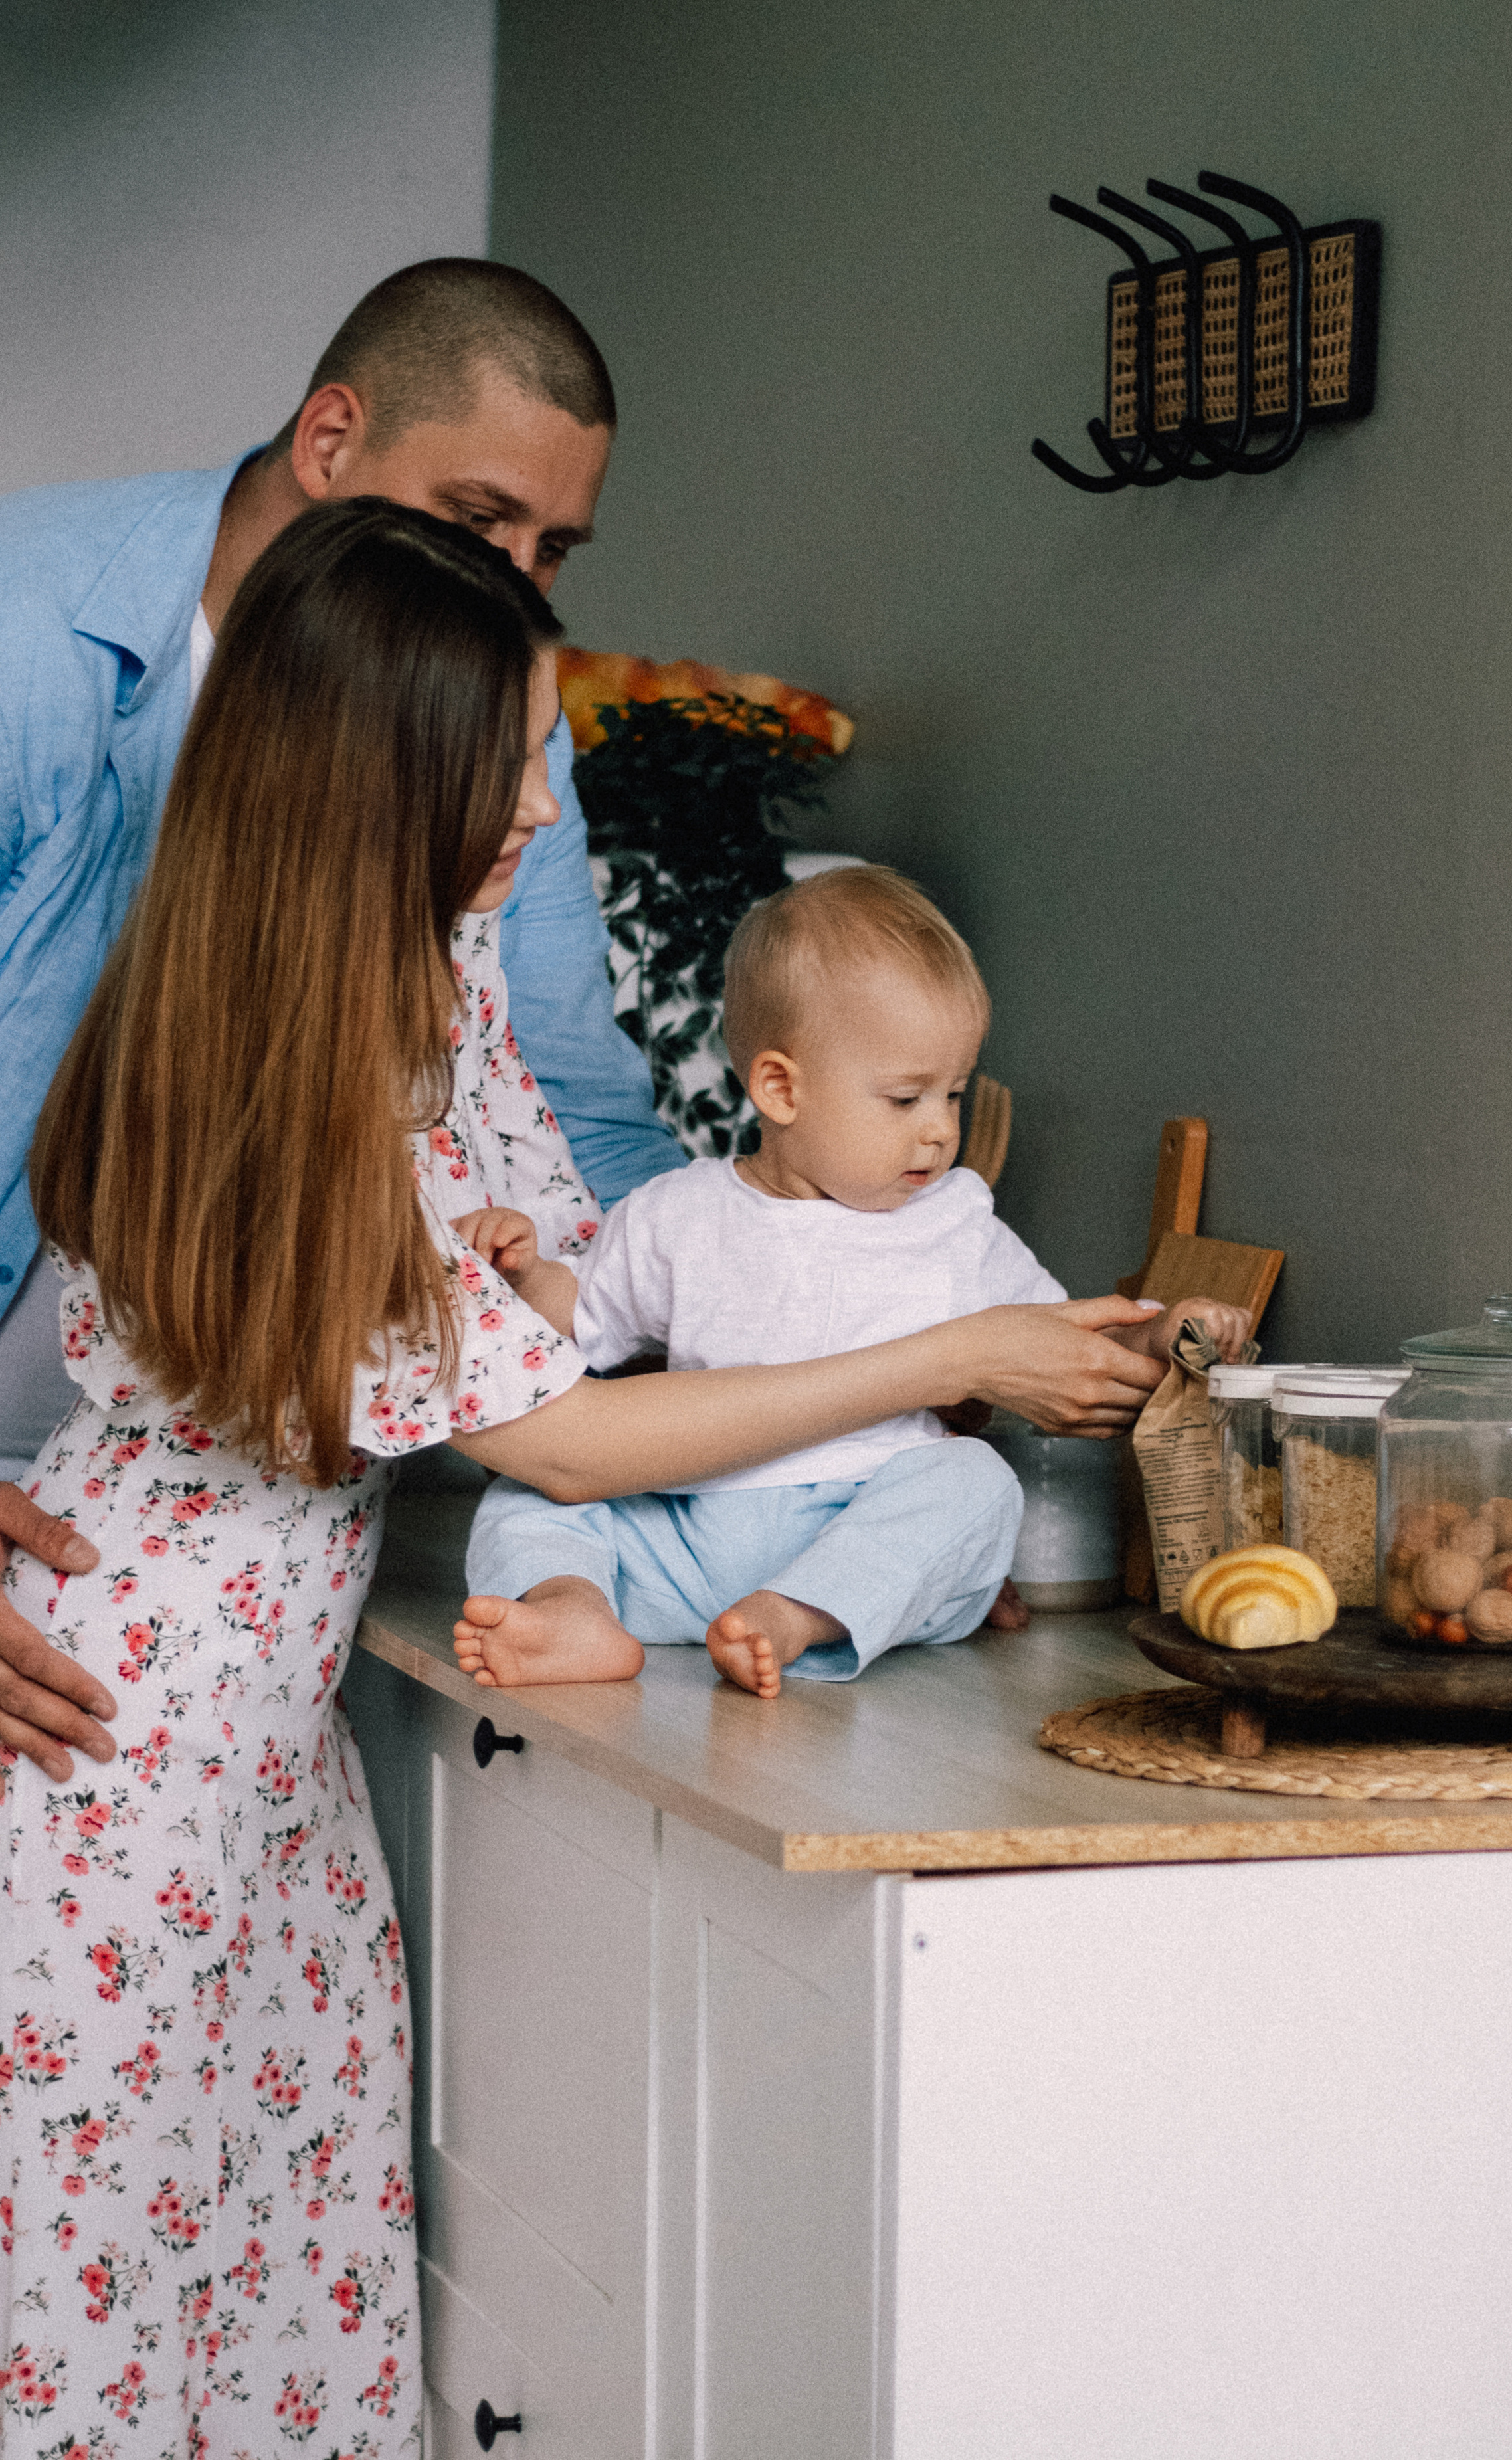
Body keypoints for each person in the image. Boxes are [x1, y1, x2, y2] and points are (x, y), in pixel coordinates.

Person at [2, 498, 1167, 2453]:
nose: (543, 814)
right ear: (372, 788)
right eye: (502, 768)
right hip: (121, 1761)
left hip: (243, 1759)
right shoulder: (280, 1090)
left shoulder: (371, 1014)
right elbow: (545, 1428)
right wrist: (955, 1350)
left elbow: (545, 1293)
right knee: (103, 2323)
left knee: (256, 2299)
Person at [0, 256, 685, 1770]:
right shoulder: (21, 631)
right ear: (329, 443)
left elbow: (571, 1078)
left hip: (225, 1493)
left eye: (553, 547)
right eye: (479, 519)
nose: (518, 579)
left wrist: (749, 1295)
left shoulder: (491, 736)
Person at [451, 867, 1251, 1698]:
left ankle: (799, 1616)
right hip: (685, 1538)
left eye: (952, 1093)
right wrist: (526, 1270)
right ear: (781, 1088)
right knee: (530, 1488)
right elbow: (575, 1326)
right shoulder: (679, 1212)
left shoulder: (957, 1220)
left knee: (975, 1484)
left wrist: (1161, 1334)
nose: (941, 1129)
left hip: (864, 1531)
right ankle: (573, 1608)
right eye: (905, 1098)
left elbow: (1068, 1344)